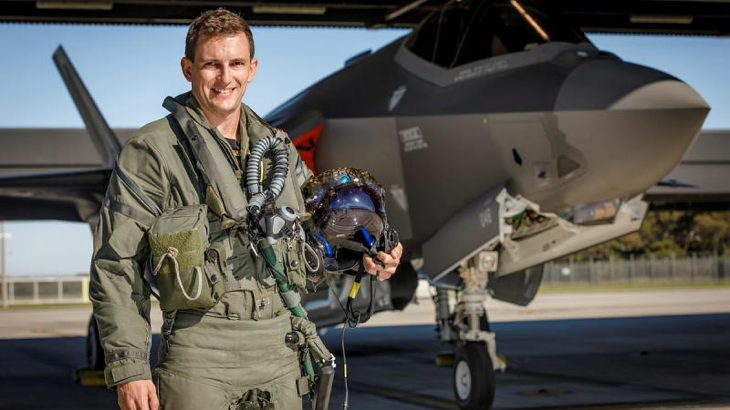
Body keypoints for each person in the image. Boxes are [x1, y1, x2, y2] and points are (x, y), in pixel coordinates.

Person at [89, 8, 403, 410]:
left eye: (236, 63)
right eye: (211, 65)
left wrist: (368, 257)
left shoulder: (279, 150)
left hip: (280, 346)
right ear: (188, 69)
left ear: (252, 69)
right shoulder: (152, 152)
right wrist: (130, 368)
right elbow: (117, 264)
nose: (225, 78)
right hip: (200, 353)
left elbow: (313, 235)